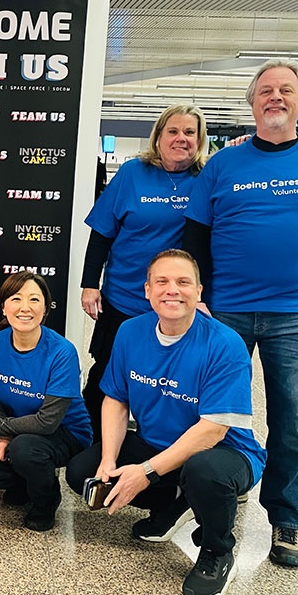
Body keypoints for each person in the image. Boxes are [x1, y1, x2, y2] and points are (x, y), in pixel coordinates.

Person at [182, 59, 298, 567]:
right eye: (265, 90)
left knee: (293, 416)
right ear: (253, 102)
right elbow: (195, 235)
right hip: (226, 310)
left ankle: (287, 519)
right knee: (215, 408)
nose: (276, 97)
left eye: (286, 89)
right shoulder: (223, 164)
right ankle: (226, 482)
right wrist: (198, 297)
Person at [66, 250, 267, 595]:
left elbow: (212, 430)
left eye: (183, 282)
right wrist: (109, 460)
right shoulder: (130, 331)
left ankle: (217, 552)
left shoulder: (225, 344)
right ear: (147, 290)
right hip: (158, 443)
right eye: (162, 281)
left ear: (199, 291)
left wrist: (145, 471)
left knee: (204, 471)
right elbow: (115, 399)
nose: (172, 289)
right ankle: (175, 503)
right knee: (82, 470)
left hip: (224, 453)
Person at [81, 104, 209, 442]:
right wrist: (89, 284)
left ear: (199, 140)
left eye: (190, 132)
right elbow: (102, 232)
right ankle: (92, 442)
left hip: (175, 304)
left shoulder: (206, 179)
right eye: (173, 131)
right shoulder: (132, 173)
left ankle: (159, 447)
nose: (181, 138)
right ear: (159, 136)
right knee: (106, 373)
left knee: (169, 381)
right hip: (123, 298)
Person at [0, 272, 92, 531]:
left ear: (45, 308)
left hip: (66, 432)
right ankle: (25, 483)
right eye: (16, 299)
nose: (25, 307)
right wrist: (2, 433)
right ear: (4, 307)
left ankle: (46, 501)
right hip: (18, 428)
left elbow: (47, 422)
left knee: (25, 449)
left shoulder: (61, 352)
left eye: (34, 299)